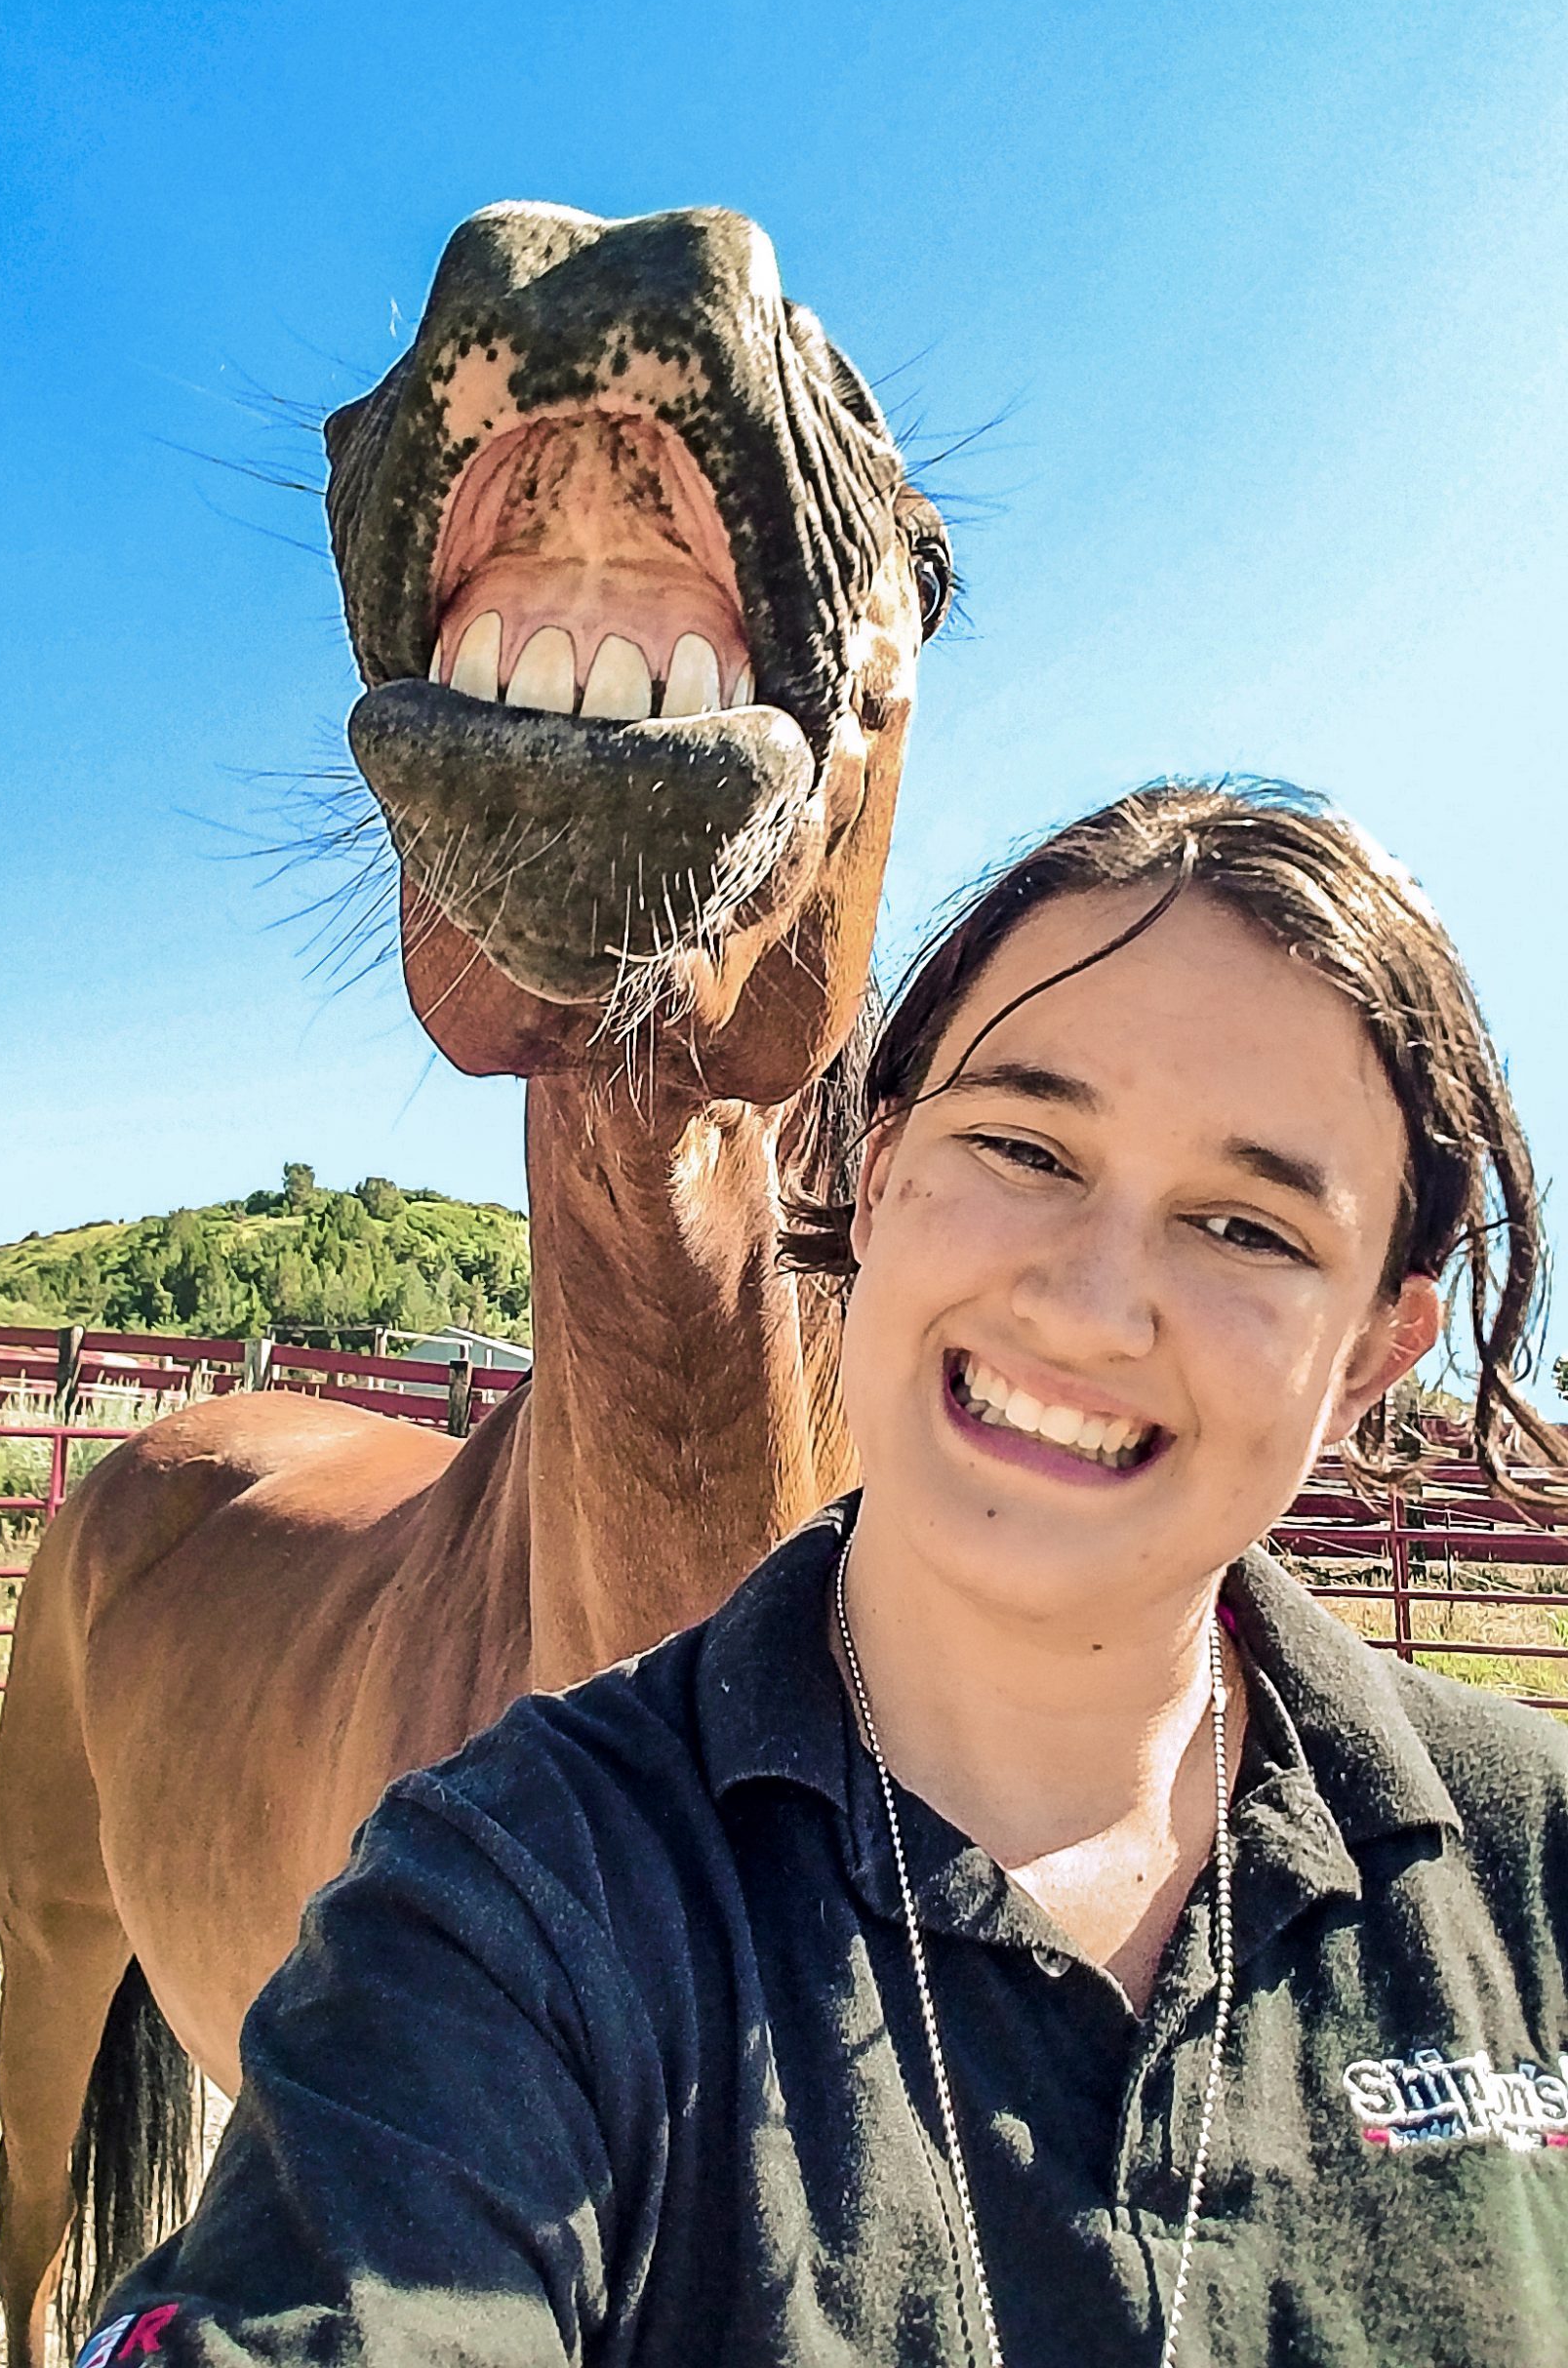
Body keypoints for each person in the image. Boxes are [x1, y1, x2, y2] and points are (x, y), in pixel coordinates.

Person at [75, 780, 1568, 2368]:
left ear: (1375, 1356)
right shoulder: (501, 1903)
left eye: (1250, 1227)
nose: (1088, 1303)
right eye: (1022, 1145)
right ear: (875, 1175)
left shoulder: (1534, 1863)